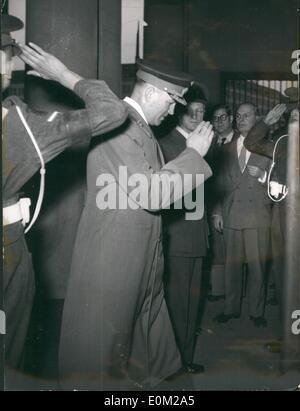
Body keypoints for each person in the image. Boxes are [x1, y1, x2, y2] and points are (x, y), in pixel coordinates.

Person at [59, 60, 214, 390]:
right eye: (173, 101)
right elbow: (152, 193)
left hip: (137, 263)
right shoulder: (122, 127)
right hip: (112, 266)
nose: (173, 112)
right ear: (155, 92)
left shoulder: (139, 128)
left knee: (138, 360)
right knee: (99, 365)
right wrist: (193, 154)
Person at [2, 13, 127, 377]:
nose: (11, 59)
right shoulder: (21, 127)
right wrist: (63, 74)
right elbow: (111, 111)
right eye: (8, 51)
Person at [159, 84, 209, 374]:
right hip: (177, 234)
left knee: (190, 300)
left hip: (196, 234)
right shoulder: (166, 144)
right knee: (177, 301)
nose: (197, 115)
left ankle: (184, 358)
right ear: (178, 112)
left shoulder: (201, 145)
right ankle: (173, 362)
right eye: (191, 110)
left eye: (202, 111)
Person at [244, 101, 299, 353]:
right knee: (283, 276)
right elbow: (251, 143)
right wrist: (265, 122)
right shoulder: (282, 142)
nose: (295, 120)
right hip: (282, 219)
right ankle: (287, 335)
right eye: (293, 116)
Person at [213, 104, 273, 327]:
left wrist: (263, 175)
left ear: (257, 118)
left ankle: (257, 311)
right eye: (238, 116)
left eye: (246, 115)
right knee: (232, 266)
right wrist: (217, 212)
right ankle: (231, 308)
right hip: (231, 214)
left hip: (257, 214)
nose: (241, 119)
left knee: (257, 267)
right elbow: (219, 183)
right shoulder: (226, 148)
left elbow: (280, 181)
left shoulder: (269, 147)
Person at [207, 105, 235, 301]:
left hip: (233, 202)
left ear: (231, 118)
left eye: (223, 117)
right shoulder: (208, 143)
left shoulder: (242, 141)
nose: (219, 121)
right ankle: (218, 290)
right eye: (215, 118)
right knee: (216, 248)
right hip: (210, 201)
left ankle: (233, 291)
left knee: (233, 249)